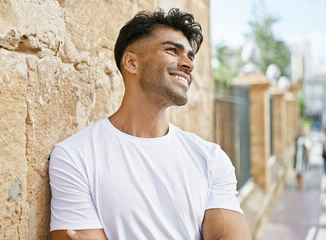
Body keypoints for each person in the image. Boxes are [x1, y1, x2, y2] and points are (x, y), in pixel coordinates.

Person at [49, 8, 252, 240]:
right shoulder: (74, 157)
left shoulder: (210, 158)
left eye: (190, 56)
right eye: (172, 50)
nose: (188, 64)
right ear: (132, 63)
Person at [294, 126, 311, 190]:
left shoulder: (297, 139)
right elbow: (308, 148)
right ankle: (301, 186)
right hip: (302, 159)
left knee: (298, 172)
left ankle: (298, 185)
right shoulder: (304, 139)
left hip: (297, 158)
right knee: (302, 173)